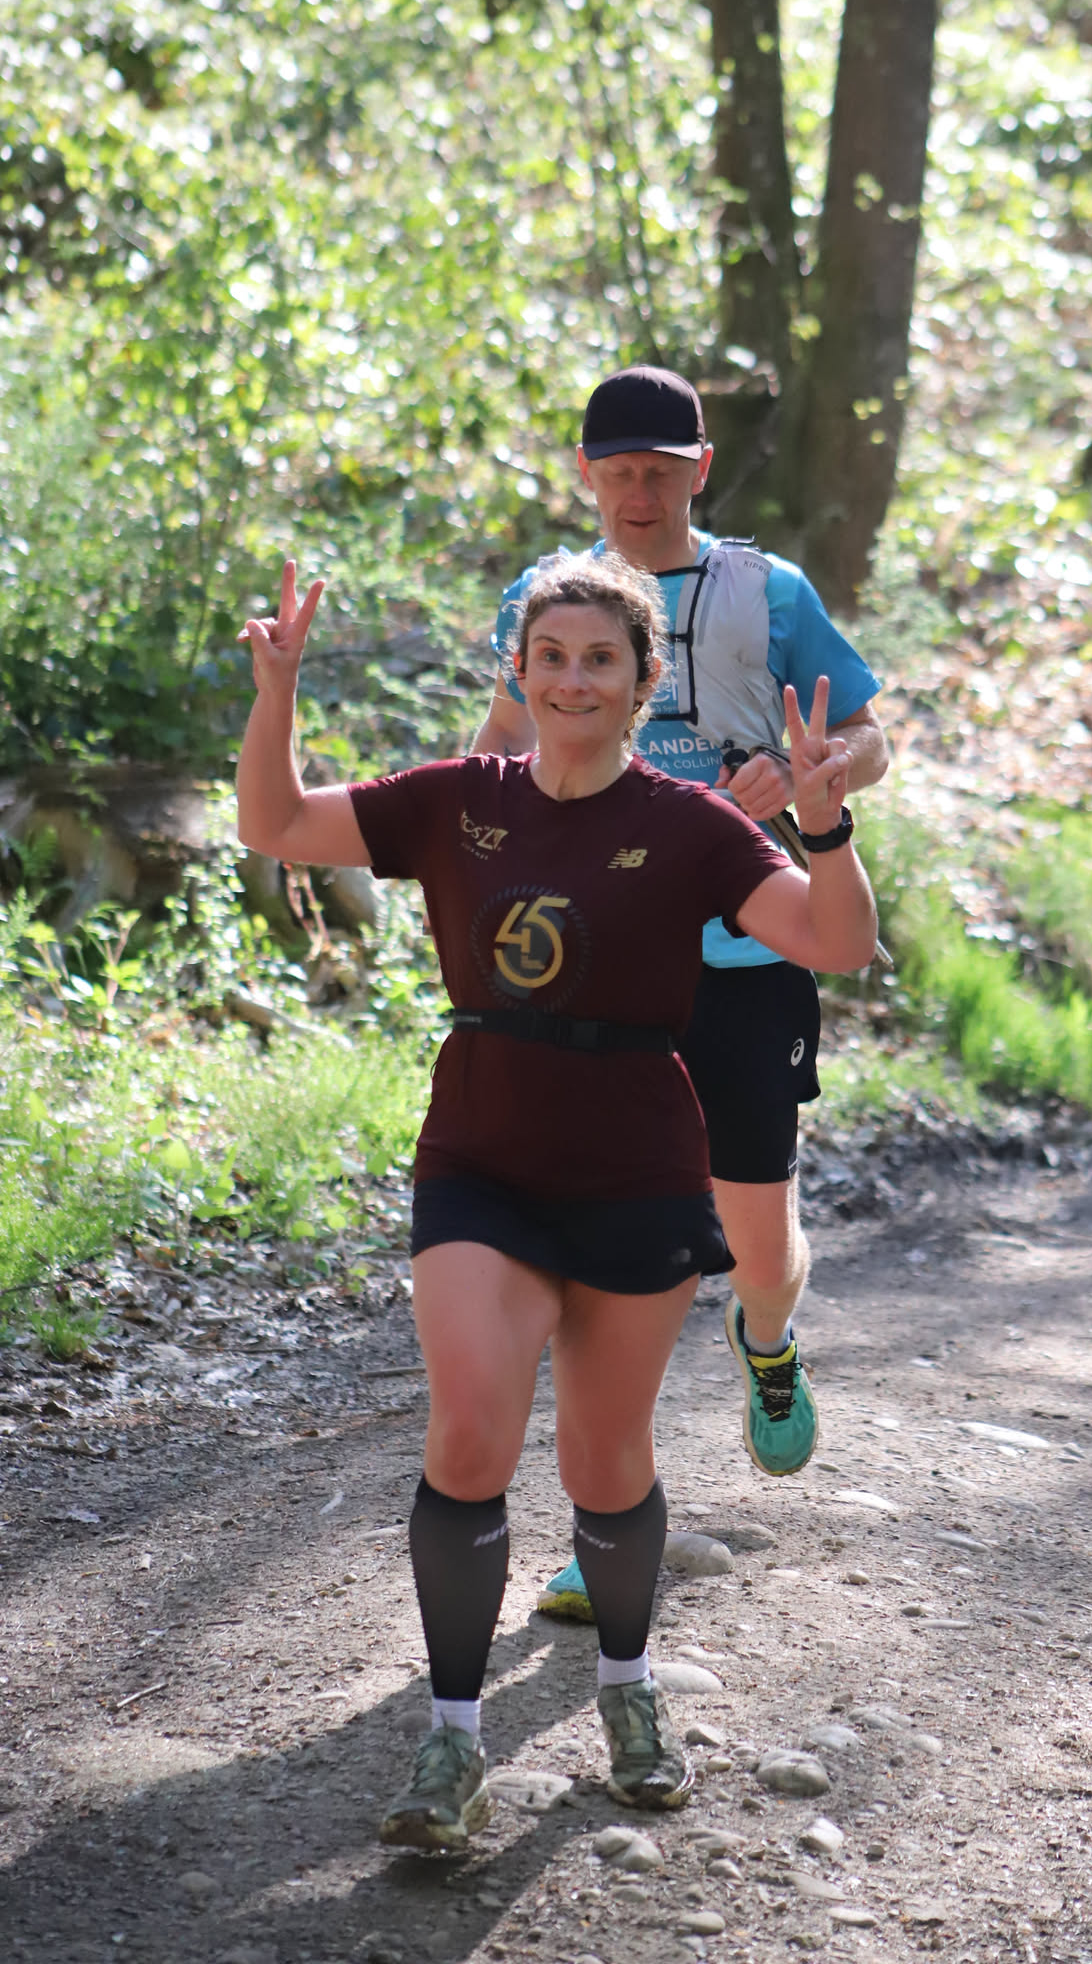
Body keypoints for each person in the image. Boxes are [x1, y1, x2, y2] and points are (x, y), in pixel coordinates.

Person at [236, 550, 877, 1850]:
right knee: (470, 1433)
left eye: (601, 659)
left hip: (638, 1164)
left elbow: (833, 941)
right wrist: (278, 690)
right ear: (516, 674)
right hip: (481, 1156)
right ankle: (452, 1740)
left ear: (645, 684)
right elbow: (279, 826)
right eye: (551, 657)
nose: (573, 678)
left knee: (604, 1462)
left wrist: (824, 821)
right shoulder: (452, 799)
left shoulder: (696, 826)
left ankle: (630, 1695)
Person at [474, 366, 888, 1620]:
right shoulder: (547, 598)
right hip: (596, 969)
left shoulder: (772, 594)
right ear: (587, 476)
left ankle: (766, 1337)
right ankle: (598, 1529)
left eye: (663, 468)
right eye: (619, 470)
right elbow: (498, 750)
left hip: (748, 960)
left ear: (701, 470)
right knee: (603, 1255)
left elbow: (871, 731)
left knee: (755, 1248)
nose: (640, 491)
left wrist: (817, 777)